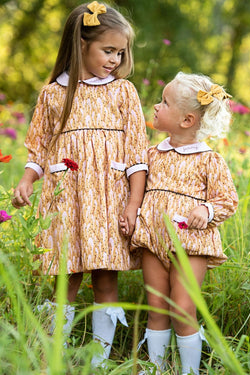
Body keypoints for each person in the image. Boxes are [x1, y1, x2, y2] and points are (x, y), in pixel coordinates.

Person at [12, 1, 148, 368]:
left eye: (120, 52)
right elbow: (39, 147)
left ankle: (100, 360)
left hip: (109, 201)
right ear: (80, 44)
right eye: (108, 50)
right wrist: (27, 180)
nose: (115, 60)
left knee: (105, 280)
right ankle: (50, 354)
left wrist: (132, 205)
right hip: (67, 201)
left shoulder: (123, 93)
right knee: (65, 278)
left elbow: (138, 155)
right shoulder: (53, 94)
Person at [129, 72, 238, 375]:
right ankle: (155, 367)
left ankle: (189, 370)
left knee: (182, 306)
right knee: (156, 306)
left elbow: (227, 200)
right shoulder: (152, 154)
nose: (156, 106)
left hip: (189, 243)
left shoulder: (209, 160)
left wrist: (206, 209)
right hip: (153, 240)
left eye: (164, 102)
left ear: (187, 120)